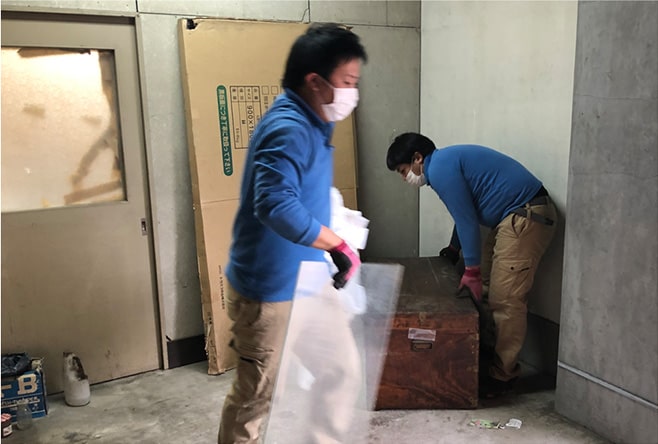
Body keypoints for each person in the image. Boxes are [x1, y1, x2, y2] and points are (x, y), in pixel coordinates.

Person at [219, 23, 368, 444]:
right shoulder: (289, 128)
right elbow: (275, 205)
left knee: (340, 371)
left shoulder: (316, 121)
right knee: (257, 397)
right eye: (347, 82)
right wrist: (337, 244)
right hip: (268, 291)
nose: (353, 93)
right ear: (315, 82)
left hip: (309, 279)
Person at [386, 132, 557, 399]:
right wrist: (454, 249)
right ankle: (485, 356)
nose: (404, 177)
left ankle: (503, 376)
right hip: (512, 217)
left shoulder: (439, 168)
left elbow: (467, 222)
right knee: (488, 289)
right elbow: (465, 213)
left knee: (506, 299)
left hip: (526, 215)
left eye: (403, 170)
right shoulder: (443, 162)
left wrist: (471, 270)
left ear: (417, 158)